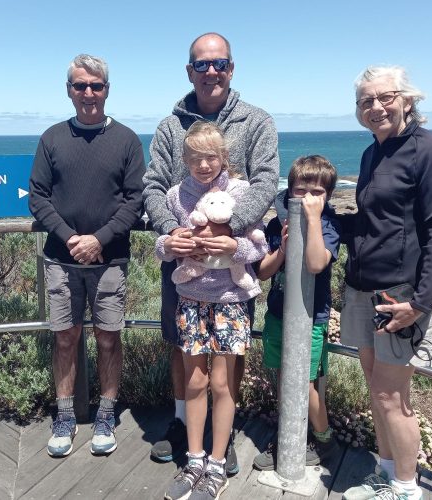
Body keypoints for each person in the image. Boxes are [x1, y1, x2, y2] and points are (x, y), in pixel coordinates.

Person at [142, 32, 280, 475]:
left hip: (234, 260)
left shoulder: (257, 121)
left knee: (228, 354)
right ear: (190, 71)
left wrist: (229, 230)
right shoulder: (170, 127)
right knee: (183, 345)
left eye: (219, 63)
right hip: (186, 258)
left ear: (231, 67)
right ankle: (185, 426)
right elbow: (153, 187)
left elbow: (265, 181)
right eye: (201, 65)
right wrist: (173, 232)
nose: (211, 72)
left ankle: (224, 436)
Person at [340, 66, 432, 500]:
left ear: (407, 99)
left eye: (384, 97)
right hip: (363, 286)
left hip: (402, 295)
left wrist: (421, 302)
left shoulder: (431, 151)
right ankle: (387, 474)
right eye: (366, 101)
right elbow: (374, 222)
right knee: (376, 384)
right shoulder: (373, 153)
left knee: (392, 395)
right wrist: (319, 221)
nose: (375, 107)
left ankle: (406, 488)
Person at [28, 54, 145, 458]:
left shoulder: (127, 140)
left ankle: (106, 414)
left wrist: (99, 238)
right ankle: (64, 417)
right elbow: (38, 197)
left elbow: (135, 201)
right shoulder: (52, 138)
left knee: (109, 338)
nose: (88, 93)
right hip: (61, 259)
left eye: (96, 86)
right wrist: (70, 237)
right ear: (69, 90)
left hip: (110, 259)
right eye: (81, 86)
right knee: (64, 338)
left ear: (107, 90)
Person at [157, 121, 267, 500]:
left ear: (223, 158)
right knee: (195, 382)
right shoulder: (175, 196)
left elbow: (259, 248)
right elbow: (163, 245)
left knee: (221, 383)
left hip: (231, 303)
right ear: (184, 159)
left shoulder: (240, 192)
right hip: (190, 299)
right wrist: (170, 245)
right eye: (195, 158)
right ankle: (194, 460)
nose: (203, 165)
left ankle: (217, 464)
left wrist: (231, 249)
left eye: (211, 157)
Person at [251, 155, 341, 471]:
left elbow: (316, 264)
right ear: (289, 191)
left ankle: (324, 439)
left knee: (306, 382)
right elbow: (262, 272)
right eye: (300, 191)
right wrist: (283, 250)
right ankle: (291, 433)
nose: (307, 199)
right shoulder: (277, 225)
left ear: (328, 196)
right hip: (278, 315)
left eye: (317, 192)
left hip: (311, 319)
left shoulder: (328, 225)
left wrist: (313, 221)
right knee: (282, 378)